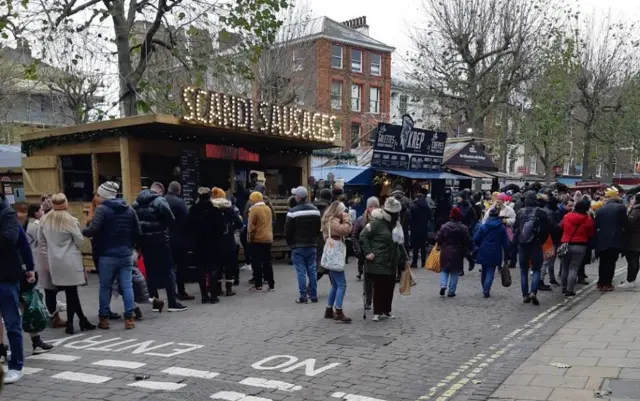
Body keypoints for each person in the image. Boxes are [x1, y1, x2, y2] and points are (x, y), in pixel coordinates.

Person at [83, 182, 141, 330]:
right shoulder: (129, 209)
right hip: (126, 253)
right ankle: (129, 318)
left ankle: (104, 319)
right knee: (127, 285)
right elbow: (138, 231)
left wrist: (83, 231)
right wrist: (132, 245)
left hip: (107, 254)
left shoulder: (102, 210)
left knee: (105, 286)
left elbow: (93, 229)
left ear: (103, 195)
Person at [38, 193, 96, 334]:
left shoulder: (44, 220)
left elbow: (42, 243)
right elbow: (80, 241)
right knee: (72, 293)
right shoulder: (70, 220)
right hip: (70, 260)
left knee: (71, 293)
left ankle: (81, 320)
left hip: (54, 261)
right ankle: (73, 323)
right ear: (66, 203)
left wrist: (47, 259)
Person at [0, 193, 37, 384]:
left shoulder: (6, 214)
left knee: (12, 322)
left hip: (5, 276)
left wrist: (30, 268)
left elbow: (13, 240)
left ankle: (16, 366)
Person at [133, 182, 187, 312]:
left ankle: (155, 303)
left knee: (150, 272)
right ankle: (172, 302)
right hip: (161, 241)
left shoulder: (136, 203)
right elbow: (170, 219)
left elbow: (135, 223)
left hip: (145, 242)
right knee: (168, 270)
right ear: (160, 191)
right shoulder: (160, 201)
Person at [360, 197, 401, 321]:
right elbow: (363, 236)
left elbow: (399, 242)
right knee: (378, 287)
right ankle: (377, 311)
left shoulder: (395, 223)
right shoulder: (377, 222)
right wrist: (368, 252)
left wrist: (403, 258)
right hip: (378, 260)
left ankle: (387, 310)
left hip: (392, 261)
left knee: (389, 287)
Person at [285, 186, 321, 304]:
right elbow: (318, 228)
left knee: (301, 272)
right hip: (311, 244)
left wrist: (290, 243)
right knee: (312, 270)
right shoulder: (315, 210)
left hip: (297, 246)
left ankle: (303, 296)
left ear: (298, 197)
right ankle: (314, 296)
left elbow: (288, 230)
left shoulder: (292, 212)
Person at [513, 191, 550, 305]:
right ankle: (533, 292)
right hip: (536, 244)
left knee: (524, 270)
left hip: (523, 244)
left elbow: (516, 229)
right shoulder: (541, 212)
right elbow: (546, 230)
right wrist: (541, 242)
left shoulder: (520, 212)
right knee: (536, 269)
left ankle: (525, 295)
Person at [321, 200, 353, 322]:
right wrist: (346, 218)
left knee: (335, 285)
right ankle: (338, 310)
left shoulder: (328, 219)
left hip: (332, 254)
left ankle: (329, 309)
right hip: (334, 256)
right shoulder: (332, 221)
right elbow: (345, 230)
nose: (343, 213)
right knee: (342, 284)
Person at [210, 187, 244, 298]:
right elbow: (239, 223)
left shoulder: (210, 208)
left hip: (214, 241)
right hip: (228, 241)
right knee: (230, 265)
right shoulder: (228, 208)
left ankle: (218, 288)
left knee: (217, 265)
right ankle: (229, 289)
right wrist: (231, 227)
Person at [165, 181, 194, 301]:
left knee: (168, 267)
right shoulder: (180, 202)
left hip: (165, 239)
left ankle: (170, 292)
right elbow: (188, 221)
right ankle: (181, 291)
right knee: (181, 266)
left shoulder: (161, 200)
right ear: (178, 190)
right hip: (179, 240)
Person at [559, 200, 595, 297]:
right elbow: (591, 233)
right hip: (580, 245)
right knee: (573, 268)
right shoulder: (588, 219)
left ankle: (563, 287)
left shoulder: (567, 216)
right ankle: (570, 290)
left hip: (565, 244)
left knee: (564, 267)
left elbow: (561, 227)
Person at [595, 188, 628, 291]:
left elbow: (596, 225)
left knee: (603, 262)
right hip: (614, 240)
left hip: (602, 240)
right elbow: (625, 224)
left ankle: (600, 283)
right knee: (611, 263)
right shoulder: (621, 208)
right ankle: (607, 283)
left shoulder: (600, 209)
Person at [474, 208, 511, 298]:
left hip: (484, 250)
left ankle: (484, 288)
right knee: (491, 271)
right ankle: (486, 289)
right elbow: (506, 243)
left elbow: (475, 239)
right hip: (496, 251)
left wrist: (479, 245)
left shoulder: (483, 226)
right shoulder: (501, 228)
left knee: (484, 270)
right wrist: (507, 255)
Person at [436, 207, 472, 297]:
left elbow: (438, 238)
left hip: (445, 251)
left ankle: (443, 285)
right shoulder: (463, 228)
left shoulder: (444, 227)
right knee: (455, 272)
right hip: (457, 252)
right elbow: (467, 240)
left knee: (444, 270)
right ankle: (451, 291)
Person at [352, 196, 379, 309]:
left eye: (375, 206)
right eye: (371, 206)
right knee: (367, 278)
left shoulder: (382, 219)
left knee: (377, 278)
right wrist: (358, 250)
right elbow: (354, 236)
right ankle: (368, 300)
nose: (373, 208)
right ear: (367, 208)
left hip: (378, 252)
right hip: (365, 253)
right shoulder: (361, 219)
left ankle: (377, 300)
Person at [248, 191, 275, 291]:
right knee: (267, 262)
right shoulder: (267, 208)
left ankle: (258, 284)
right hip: (268, 238)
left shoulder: (254, 210)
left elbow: (251, 227)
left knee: (256, 262)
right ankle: (271, 283)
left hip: (257, 239)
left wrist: (250, 238)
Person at [314, 188, 333, 282]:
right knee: (327, 261)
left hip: (314, 237)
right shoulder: (330, 208)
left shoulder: (313, 206)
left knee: (320, 259)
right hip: (326, 236)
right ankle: (335, 286)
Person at [622, 193, 640, 289]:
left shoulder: (636, 211)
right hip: (637, 239)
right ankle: (631, 280)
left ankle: (630, 280)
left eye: (632, 199)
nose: (631, 200)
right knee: (635, 260)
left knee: (632, 260)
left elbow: (629, 225)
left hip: (634, 240)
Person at [410, 193, 432, 268]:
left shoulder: (413, 207)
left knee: (415, 247)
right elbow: (430, 218)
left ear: (416, 198)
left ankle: (415, 262)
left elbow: (410, 218)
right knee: (423, 246)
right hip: (424, 229)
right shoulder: (427, 207)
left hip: (415, 229)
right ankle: (423, 262)